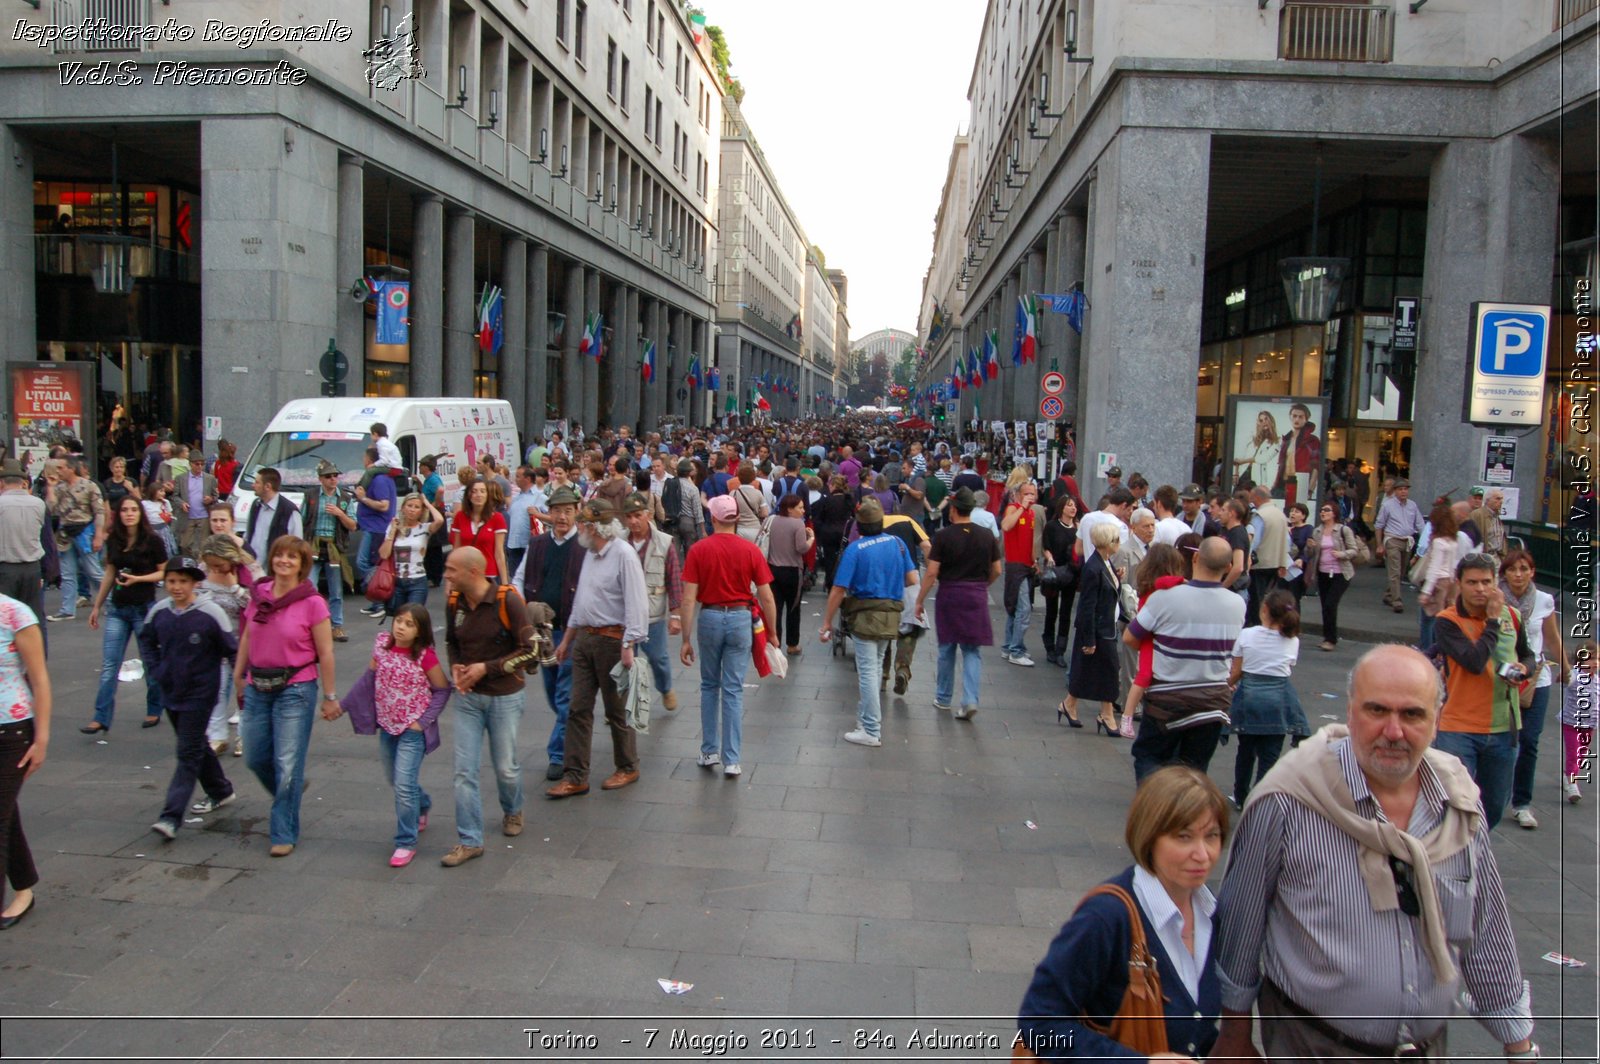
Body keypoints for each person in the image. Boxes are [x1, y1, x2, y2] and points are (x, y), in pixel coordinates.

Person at [1212, 644, 1537, 1064]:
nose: (1394, 731)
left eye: (1412, 715)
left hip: (1425, 1051)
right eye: (1377, 711)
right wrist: (1234, 1035)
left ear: (1437, 720)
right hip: (1313, 1047)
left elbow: (1487, 930)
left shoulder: (1457, 804)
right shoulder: (1288, 801)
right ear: (1350, 713)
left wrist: (1519, 1045)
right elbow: (1241, 924)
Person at [1016, 766, 1227, 1062]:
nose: (1203, 854)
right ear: (1149, 836)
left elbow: (1195, 1025)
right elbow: (1039, 1022)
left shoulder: (1211, 914)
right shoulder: (1106, 917)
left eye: (1212, 836)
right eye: (1184, 837)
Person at [231, 536, 337, 858]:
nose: (284, 561)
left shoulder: (312, 602)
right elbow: (248, 634)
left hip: (296, 687)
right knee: (254, 755)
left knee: (287, 763)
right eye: (280, 555)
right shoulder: (259, 594)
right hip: (257, 685)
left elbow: (326, 651)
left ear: (303, 565)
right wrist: (238, 674)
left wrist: (330, 696)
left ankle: (283, 830)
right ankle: (288, 790)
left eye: (292, 557)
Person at [327, 604, 451, 867]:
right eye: (399, 621)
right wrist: (343, 705)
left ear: (420, 631)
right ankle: (423, 804)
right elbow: (368, 679)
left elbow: (442, 689)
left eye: (409, 624)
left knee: (404, 784)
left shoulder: (425, 656)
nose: (400, 627)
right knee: (396, 779)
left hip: (412, 731)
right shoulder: (382, 644)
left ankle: (405, 842)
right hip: (387, 725)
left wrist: (423, 721)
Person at [440, 546, 538, 865]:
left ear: (473, 572)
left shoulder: (507, 600)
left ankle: (513, 809)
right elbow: (452, 642)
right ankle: (470, 840)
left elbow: (529, 652)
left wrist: (486, 668)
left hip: (505, 696)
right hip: (468, 696)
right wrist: (456, 666)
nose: (446, 575)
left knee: (505, 767)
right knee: (463, 771)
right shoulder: (454, 602)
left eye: (451, 570)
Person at [546, 499, 649, 799]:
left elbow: (636, 604)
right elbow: (581, 602)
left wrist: (629, 644)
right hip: (585, 640)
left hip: (612, 641)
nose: (580, 529)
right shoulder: (590, 554)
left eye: (584, 524)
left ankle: (628, 766)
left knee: (616, 710)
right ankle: (575, 774)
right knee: (578, 708)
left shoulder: (624, 555)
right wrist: (567, 640)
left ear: (596, 527)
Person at [1123, 538, 1244, 781]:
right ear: (1228, 567)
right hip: (1212, 702)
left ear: (1196, 559)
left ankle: (1154, 810)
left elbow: (1130, 637)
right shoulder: (1237, 605)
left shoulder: (1164, 598)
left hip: (1167, 699)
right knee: (1194, 770)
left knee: (1150, 758)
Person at [1432, 553, 1536, 830]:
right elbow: (1474, 662)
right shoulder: (1447, 620)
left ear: (1495, 583)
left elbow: (1528, 655)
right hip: (1458, 728)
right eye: (1472, 582)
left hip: (1503, 727)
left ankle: (1475, 856)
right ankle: (1452, 861)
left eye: (1486, 582)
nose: (1480, 589)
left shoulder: (1511, 615)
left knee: (1493, 807)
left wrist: (1524, 669)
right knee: (1455, 805)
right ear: (1459, 583)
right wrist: (1491, 622)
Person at [140, 557, 239, 841]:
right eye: (172, 581)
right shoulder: (159, 612)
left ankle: (171, 816)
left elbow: (231, 649)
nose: (177, 587)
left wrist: (241, 682)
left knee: (187, 753)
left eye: (183, 581)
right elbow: (146, 640)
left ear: (195, 582)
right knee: (195, 745)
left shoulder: (210, 613)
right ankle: (220, 789)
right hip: (171, 690)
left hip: (202, 692)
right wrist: (156, 669)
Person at [680, 494, 778, 776]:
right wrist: (772, 632)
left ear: (713, 518)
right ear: (735, 518)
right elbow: (767, 597)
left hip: (709, 616)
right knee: (733, 689)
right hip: (740, 618)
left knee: (710, 685)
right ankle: (732, 759)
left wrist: (686, 638)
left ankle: (709, 750)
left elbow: (689, 599)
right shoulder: (750, 551)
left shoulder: (699, 550)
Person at [819, 497, 917, 748]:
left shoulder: (856, 549)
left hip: (864, 614)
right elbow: (912, 578)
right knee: (874, 666)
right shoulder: (897, 543)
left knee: (867, 671)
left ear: (859, 526)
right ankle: (864, 722)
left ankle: (871, 728)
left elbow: (839, 589)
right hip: (891, 614)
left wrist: (827, 622)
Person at [514, 485, 586, 782]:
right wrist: (523, 610)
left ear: (576, 513)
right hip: (542, 633)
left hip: (571, 631)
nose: (561, 517)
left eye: (568, 511)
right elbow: (519, 579)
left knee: (565, 694)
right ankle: (571, 730)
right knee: (553, 692)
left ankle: (558, 754)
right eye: (557, 511)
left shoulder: (584, 546)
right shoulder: (538, 544)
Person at [915, 487, 1002, 721]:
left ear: (953, 510)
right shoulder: (986, 536)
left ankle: (943, 697)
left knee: (947, 647)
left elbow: (932, 572)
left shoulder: (943, 536)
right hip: (976, 594)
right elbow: (997, 569)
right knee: (972, 650)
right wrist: (983, 584)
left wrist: (920, 600)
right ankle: (970, 699)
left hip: (951, 594)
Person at [84, 496, 167, 733]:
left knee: (150, 664)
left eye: (133, 509)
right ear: (118, 514)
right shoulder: (115, 541)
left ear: (140, 513)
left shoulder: (152, 541)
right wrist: (97, 605)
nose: (129, 514)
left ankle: (154, 708)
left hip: (144, 608)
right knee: (110, 665)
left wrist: (138, 579)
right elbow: (110, 572)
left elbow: (164, 573)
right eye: (124, 510)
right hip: (118, 609)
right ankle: (100, 717)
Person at [1499, 549, 1563, 830]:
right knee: (1502, 741)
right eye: (1513, 569)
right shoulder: (1494, 599)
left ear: (1532, 572)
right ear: (1504, 574)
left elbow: (1552, 638)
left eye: (1524, 569)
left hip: (1537, 678)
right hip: (1502, 677)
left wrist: (1568, 668)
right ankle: (1493, 794)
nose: (1519, 574)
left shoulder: (1544, 600)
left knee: (1530, 741)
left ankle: (1522, 803)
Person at [1227, 589, 1307, 809]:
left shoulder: (1247, 635)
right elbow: (1288, 667)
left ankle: (1240, 796)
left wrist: (1225, 687)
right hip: (1279, 700)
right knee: (1270, 756)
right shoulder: (1293, 641)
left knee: (1245, 752)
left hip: (1250, 696)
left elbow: (1236, 671)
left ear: (1264, 610)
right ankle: (1261, 799)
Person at [0, 592, 50, 930]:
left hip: (12, 732)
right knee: (5, 814)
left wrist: (42, 738)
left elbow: (40, 678)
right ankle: (24, 888)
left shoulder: (15, 614)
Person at [1115, 545, 1189, 738]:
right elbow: (1168, 582)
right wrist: (1184, 581)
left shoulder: (1148, 583)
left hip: (1148, 632)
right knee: (1145, 674)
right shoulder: (1166, 584)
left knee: (1144, 673)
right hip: (1153, 633)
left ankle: (1128, 715)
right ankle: (1127, 716)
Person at [621, 492, 685, 712]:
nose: (633, 521)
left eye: (637, 515)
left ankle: (666, 688)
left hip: (653, 613)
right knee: (625, 662)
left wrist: (675, 615)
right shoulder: (619, 542)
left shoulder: (663, 542)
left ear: (647, 515)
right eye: (629, 517)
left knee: (658, 658)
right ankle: (625, 704)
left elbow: (674, 579)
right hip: (624, 615)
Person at [1067, 521, 1124, 735]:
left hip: (1106, 627)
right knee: (1108, 671)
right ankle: (1106, 714)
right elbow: (1087, 607)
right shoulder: (1093, 568)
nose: (1119, 543)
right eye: (1116, 540)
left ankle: (1070, 704)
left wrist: (1117, 577)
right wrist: (1089, 639)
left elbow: (1108, 588)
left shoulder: (1105, 563)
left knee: (1089, 670)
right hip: (1099, 629)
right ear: (1107, 542)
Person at [197, 535, 251, 758]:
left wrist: (234, 587)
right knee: (215, 691)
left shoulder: (248, 571)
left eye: (219, 565)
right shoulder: (202, 570)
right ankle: (216, 736)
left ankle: (244, 737)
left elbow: (256, 606)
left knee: (244, 691)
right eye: (211, 565)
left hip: (242, 643)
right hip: (213, 644)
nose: (215, 569)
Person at [43, 457, 105, 622]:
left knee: (93, 571)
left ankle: (113, 601)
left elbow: (99, 511)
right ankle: (67, 609)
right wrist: (50, 487)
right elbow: (50, 509)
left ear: (71, 468)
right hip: (65, 533)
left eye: (61, 468)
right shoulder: (60, 487)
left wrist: (99, 534)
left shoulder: (89, 486)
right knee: (67, 573)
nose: (58, 472)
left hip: (85, 531)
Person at [304, 460, 359, 643]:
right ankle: (310, 624)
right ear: (320, 479)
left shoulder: (344, 498)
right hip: (313, 545)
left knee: (336, 590)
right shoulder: (311, 496)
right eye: (328, 476)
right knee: (310, 586)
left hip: (334, 547)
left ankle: (337, 626)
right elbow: (301, 518)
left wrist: (340, 514)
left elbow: (353, 525)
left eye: (335, 475)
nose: (333, 479)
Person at [0, 460, 48, 636]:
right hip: (32, 567)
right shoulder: (38, 504)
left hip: (5, 568)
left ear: (2, 483)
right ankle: (39, 658)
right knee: (33, 618)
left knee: (5, 620)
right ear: (23, 483)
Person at [380, 492, 445, 615]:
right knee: (398, 617)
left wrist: (426, 502)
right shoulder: (394, 527)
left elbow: (440, 520)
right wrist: (392, 531)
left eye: (416, 507)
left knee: (413, 617)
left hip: (417, 580)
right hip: (397, 580)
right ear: (403, 507)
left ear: (421, 511)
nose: (412, 510)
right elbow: (384, 554)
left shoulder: (424, 528)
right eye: (409, 506)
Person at [1000, 479, 1041, 667]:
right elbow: (1006, 526)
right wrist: (1021, 507)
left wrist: (1035, 561)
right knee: (1023, 608)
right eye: (1027, 494)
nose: (1030, 497)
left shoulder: (1031, 513)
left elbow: (1030, 540)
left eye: (1033, 494)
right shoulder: (1013, 508)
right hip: (1015, 565)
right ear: (1018, 495)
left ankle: (1009, 646)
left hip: (1026, 564)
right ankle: (1016, 650)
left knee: (1016, 607)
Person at [1310, 500, 1360, 652]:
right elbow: (1312, 554)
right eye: (1321, 510)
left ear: (1334, 514)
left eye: (1326, 510)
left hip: (1341, 573)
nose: (1323, 513)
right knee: (1325, 605)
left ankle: (1331, 639)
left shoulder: (1343, 530)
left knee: (1331, 604)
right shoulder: (1317, 531)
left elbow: (1354, 550)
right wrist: (1309, 548)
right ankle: (1327, 637)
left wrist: (1341, 554)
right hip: (1323, 572)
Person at [765, 494, 811, 655]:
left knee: (775, 608)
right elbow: (802, 548)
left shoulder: (770, 520)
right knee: (793, 608)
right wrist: (811, 538)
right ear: (790, 509)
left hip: (772, 570)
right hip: (792, 571)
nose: (803, 510)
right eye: (800, 507)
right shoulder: (798, 524)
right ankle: (792, 644)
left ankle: (774, 641)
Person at [353, 448, 398, 608]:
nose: (363, 460)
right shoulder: (379, 477)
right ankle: (376, 602)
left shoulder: (379, 479)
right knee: (369, 562)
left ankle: (379, 600)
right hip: (371, 527)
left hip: (376, 528)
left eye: (364, 457)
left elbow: (384, 505)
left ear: (369, 459)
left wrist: (362, 498)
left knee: (365, 563)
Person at [1374, 478, 1425, 614]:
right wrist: (1379, 544)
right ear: (1395, 491)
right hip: (1392, 540)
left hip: (1407, 541)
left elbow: (1420, 525)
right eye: (1400, 489)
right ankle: (1397, 600)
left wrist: (1426, 540)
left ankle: (1389, 594)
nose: (1403, 491)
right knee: (1395, 571)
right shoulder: (1387, 505)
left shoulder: (1412, 505)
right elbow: (1379, 525)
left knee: (1401, 572)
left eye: (1406, 489)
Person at [1039, 495, 1079, 668]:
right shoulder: (1052, 526)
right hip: (1054, 573)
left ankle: (1061, 650)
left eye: (1074, 506)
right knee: (1051, 611)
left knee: (1066, 612)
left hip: (1070, 573)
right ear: (1062, 508)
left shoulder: (1077, 528)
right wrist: (1049, 557)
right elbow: (1045, 546)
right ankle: (1049, 647)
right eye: (1069, 505)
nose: (1072, 508)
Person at [1416, 498, 1462, 648]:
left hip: (1436, 582)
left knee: (1427, 620)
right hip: (1447, 581)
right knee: (1439, 618)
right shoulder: (1453, 541)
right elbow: (1451, 566)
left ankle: (1427, 650)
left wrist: (1426, 591)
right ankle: (1438, 649)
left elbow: (1434, 568)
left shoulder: (1438, 542)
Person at [450, 478, 509, 588]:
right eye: (474, 491)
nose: (479, 495)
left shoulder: (497, 518)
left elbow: (499, 553)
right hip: (465, 574)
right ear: (468, 495)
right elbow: (456, 549)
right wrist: (451, 580)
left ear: (487, 495)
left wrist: (505, 583)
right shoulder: (460, 517)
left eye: (482, 491)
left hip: (488, 575)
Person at [242, 467, 302, 568]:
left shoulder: (289, 510)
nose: (253, 485)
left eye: (257, 482)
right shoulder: (256, 505)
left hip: (275, 572)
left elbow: (297, 544)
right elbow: (248, 536)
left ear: (267, 486)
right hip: (252, 569)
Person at [1245, 486, 1288, 626]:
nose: (1251, 501)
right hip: (1275, 562)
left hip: (1259, 563)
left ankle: (1258, 625)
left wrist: (1246, 557)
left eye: (1252, 498)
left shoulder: (1260, 515)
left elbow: (1254, 541)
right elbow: (1286, 540)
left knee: (1256, 599)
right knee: (1266, 596)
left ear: (1257, 498)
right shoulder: (1280, 514)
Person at [1561, 640, 1596, 803]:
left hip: (1590, 725)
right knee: (1573, 753)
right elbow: (1566, 678)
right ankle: (1572, 783)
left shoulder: (1597, 680)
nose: (1595, 663)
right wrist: (1562, 677)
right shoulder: (1575, 675)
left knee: (1581, 753)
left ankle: (1567, 774)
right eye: (1590, 659)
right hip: (1571, 723)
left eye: (1597, 659)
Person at [1270, 402, 1321, 508]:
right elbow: (1281, 464)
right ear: (1290, 417)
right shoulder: (1286, 439)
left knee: (1298, 513)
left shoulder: (1312, 440)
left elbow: (1316, 466)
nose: (1297, 419)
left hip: (1300, 483)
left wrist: (1310, 488)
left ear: (1306, 419)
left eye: (1300, 417)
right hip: (1282, 483)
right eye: (1294, 416)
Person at [812, 475, 855, 589]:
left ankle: (830, 581)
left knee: (829, 559)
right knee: (843, 557)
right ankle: (842, 581)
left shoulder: (827, 500)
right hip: (844, 532)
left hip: (828, 532)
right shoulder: (848, 499)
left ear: (834, 485)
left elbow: (819, 518)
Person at [170, 459, 218, 560]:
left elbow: (216, 495)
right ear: (191, 464)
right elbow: (175, 497)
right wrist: (182, 503)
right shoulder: (181, 478)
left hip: (204, 515)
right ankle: (188, 563)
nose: (200, 466)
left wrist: (211, 499)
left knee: (204, 545)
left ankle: (202, 566)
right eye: (197, 464)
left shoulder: (210, 478)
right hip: (187, 515)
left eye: (202, 464)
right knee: (184, 544)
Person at [662, 458, 704, 555]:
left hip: (673, 520)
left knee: (675, 552)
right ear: (689, 472)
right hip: (688, 522)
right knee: (690, 551)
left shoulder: (670, 484)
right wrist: (702, 530)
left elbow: (664, 500)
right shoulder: (693, 488)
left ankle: (675, 569)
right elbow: (698, 511)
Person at [1233, 409, 1281, 490]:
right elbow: (1239, 457)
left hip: (1257, 477)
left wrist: (1244, 461)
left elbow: (1263, 458)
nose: (1264, 422)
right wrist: (1235, 473)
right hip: (1244, 473)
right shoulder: (1253, 439)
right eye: (1261, 420)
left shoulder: (1277, 441)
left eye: (1266, 419)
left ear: (1271, 421)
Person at [1467, 488, 1507, 561]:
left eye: (1501, 499)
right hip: (1484, 558)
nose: (1501, 502)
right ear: (1488, 500)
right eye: (1497, 499)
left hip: (1497, 558)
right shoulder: (1477, 515)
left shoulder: (1496, 516)